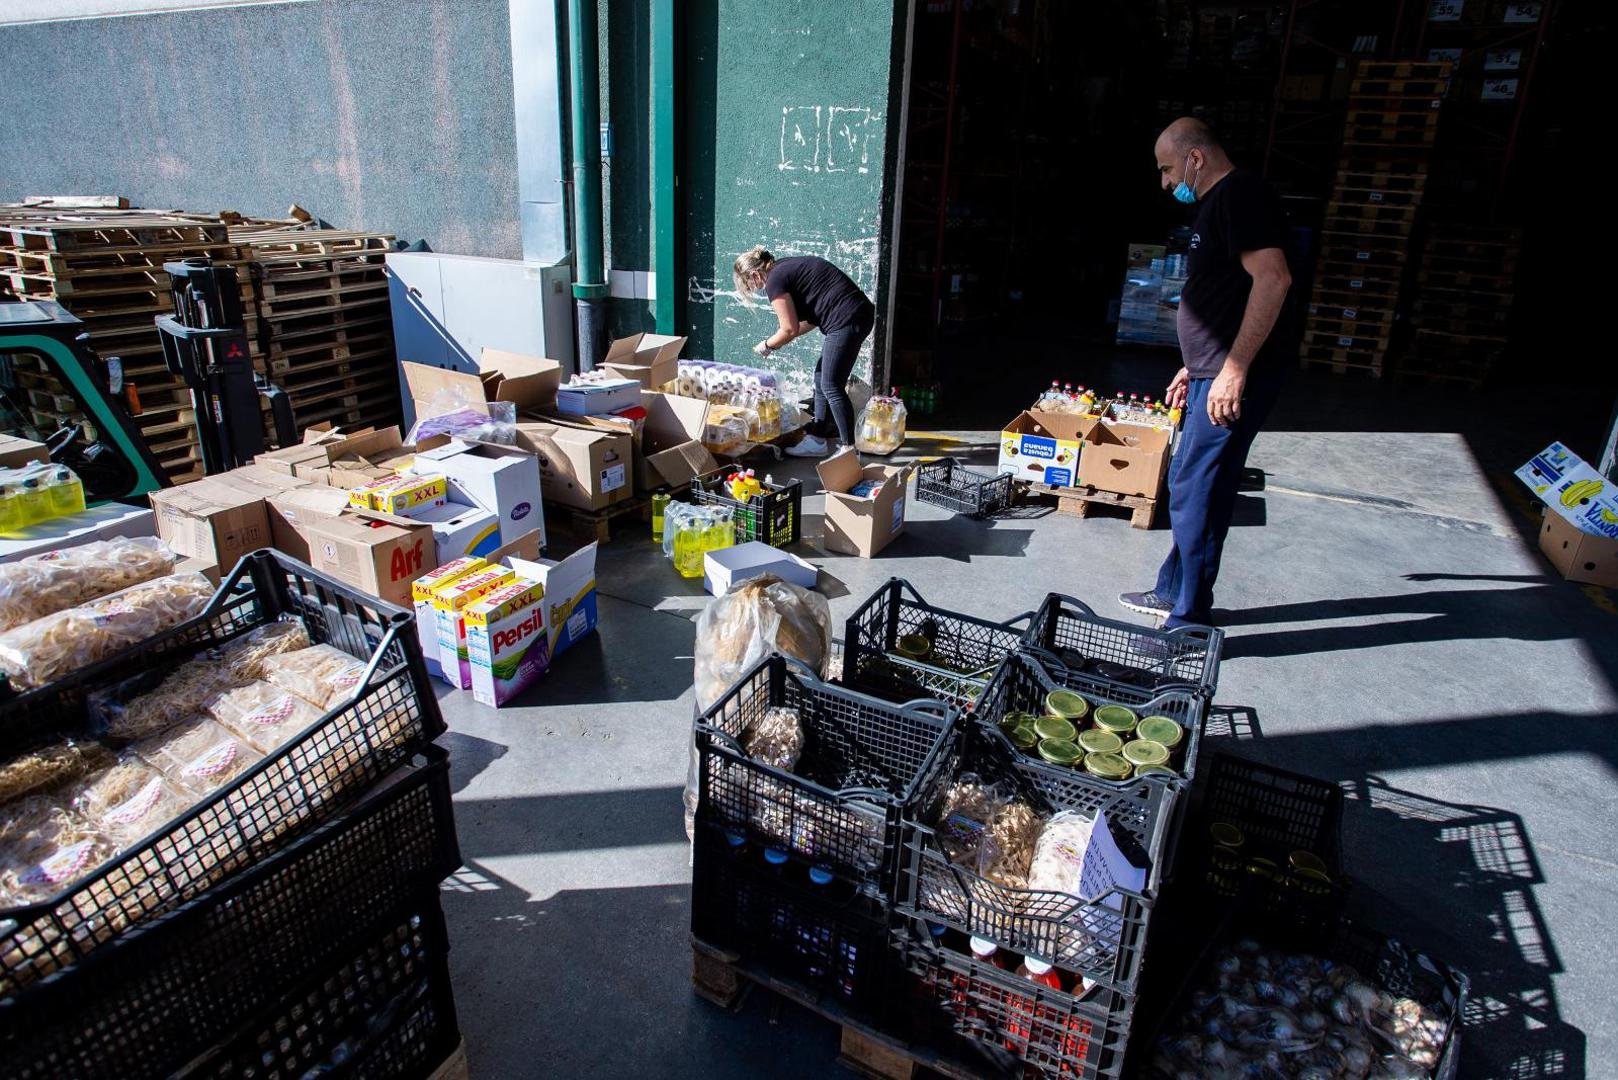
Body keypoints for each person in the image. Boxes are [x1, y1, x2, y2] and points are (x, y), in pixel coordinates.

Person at [1119, 118, 1297, 630]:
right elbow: (1225, 298)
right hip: (1210, 371)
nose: (1164, 181)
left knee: (1196, 487)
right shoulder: (1221, 205)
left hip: (1231, 376)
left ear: (1195, 158)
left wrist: (1232, 369)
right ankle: (1173, 589)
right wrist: (1194, 364)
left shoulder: (1240, 195)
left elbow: (1273, 278)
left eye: (1167, 168)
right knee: (1197, 482)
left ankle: (1189, 620)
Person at [732, 247, 875, 458]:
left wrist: (767, 345)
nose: (754, 289)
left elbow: (789, 329)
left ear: (755, 274)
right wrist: (782, 339)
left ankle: (848, 449)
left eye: (749, 285)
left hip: (846, 318)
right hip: (855, 314)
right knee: (821, 377)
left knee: (831, 384)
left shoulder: (775, 280)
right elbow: (803, 324)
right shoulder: (786, 267)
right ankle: (818, 439)